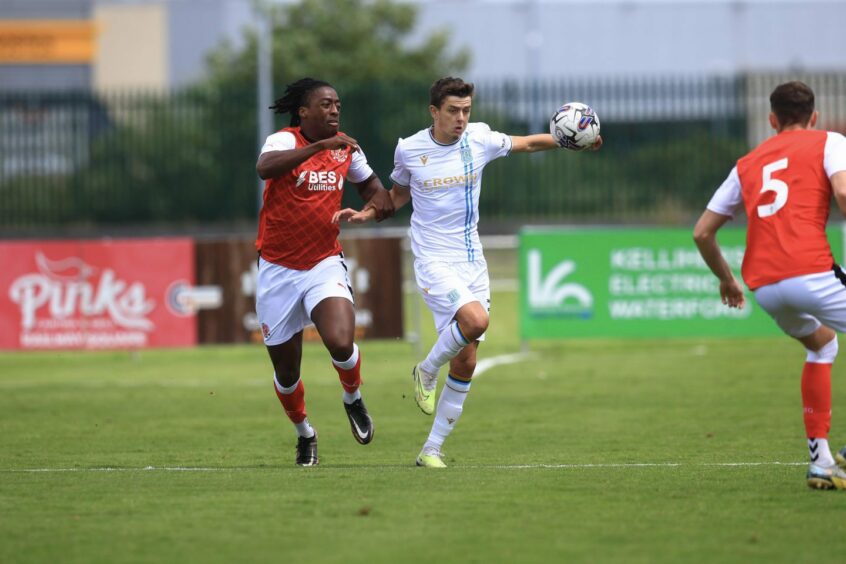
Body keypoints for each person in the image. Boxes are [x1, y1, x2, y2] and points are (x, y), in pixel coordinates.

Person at [334, 76, 602, 467]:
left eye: (466, 111)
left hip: (472, 259)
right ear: (434, 112)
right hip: (433, 259)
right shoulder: (410, 149)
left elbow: (527, 143)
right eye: (453, 111)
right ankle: (425, 370)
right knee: (475, 322)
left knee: (468, 358)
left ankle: (431, 450)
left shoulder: (480, 139)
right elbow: (397, 195)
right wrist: (367, 213)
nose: (461, 118)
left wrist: (573, 142)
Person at [693, 80, 846, 490]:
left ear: (771, 120)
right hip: (812, 271)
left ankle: (822, 462)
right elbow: (844, 191)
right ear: (813, 117)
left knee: (823, 345)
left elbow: (703, 233)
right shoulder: (829, 141)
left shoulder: (747, 162)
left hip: (765, 285)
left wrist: (727, 281)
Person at [255, 77, 394, 466]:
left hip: (322, 262)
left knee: (340, 341)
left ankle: (353, 398)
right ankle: (305, 433)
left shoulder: (347, 149)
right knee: (286, 372)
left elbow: (374, 191)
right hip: (278, 270)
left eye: (337, 104)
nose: (334, 110)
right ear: (304, 111)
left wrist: (375, 207)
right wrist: (320, 146)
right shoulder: (284, 141)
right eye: (326, 104)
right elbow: (264, 169)